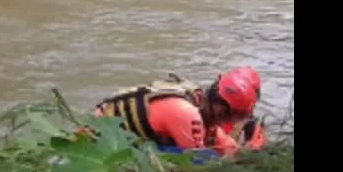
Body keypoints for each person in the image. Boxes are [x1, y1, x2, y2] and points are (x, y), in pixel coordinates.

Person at [93, 68, 260, 156]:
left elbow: (214, 135)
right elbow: (197, 158)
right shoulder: (187, 115)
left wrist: (236, 150)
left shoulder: (195, 96)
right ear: (223, 109)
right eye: (234, 115)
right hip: (101, 143)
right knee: (207, 157)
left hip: (103, 126)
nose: (230, 121)